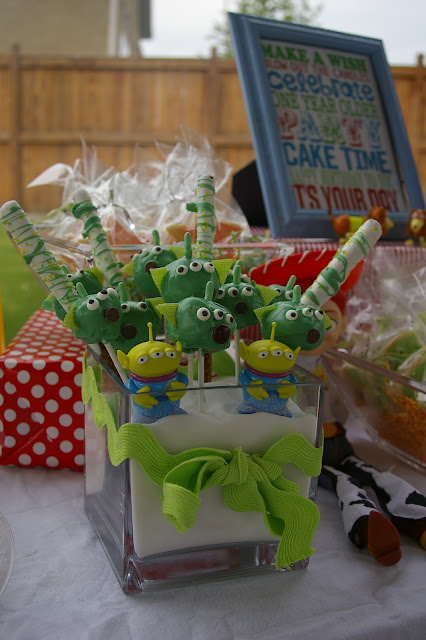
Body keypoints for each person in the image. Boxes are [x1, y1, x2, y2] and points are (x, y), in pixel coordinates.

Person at [253, 250, 426, 565]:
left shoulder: (333, 363)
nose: (317, 329)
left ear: (343, 322)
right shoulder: (280, 368)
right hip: (308, 446)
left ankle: (417, 514)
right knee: (342, 481)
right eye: (306, 319)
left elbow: (350, 399)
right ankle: (366, 522)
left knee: (370, 471)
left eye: (329, 320)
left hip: (338, 437)